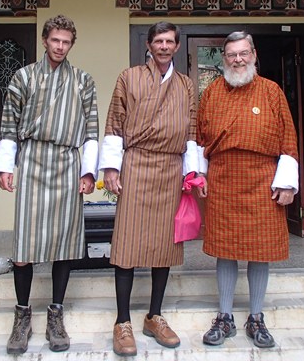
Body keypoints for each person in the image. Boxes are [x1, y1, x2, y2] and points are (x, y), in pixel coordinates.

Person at [0, 14, 99, 354]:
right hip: (33, 159)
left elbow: (92, 128)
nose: (60, 46)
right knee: (24, 243)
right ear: (44, 40)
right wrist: (6, 166)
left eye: (66, 42)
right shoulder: (23, 76)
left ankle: (56, 314)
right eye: (55, 40)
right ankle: (22, 316)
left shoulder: (83, 80)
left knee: (64, 242)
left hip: (68, 162)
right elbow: (9, 122)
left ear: (71, 44)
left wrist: (89, 171)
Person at [99, 21, 206, 357]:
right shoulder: (128, 78)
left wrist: (193, 174)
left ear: (176, 46)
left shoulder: (186, 84)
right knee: (127, 245)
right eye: (158, 40)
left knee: (165, 246)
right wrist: (112, 168)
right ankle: (122, 322)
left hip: (171, 169)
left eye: (169, 41)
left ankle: (155, 315)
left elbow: (191, 130)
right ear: (148, 45)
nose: (163, 46)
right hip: (136, 164)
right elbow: (115, 122)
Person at [196, 31, 298, 349]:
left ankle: (256, 318)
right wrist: (200, 175)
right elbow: (200, 137)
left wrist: (286, 183)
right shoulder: (212, 92)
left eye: (243, 53)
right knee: (225, 249)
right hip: (223, 178)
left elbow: (288, 137)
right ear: (223, 58)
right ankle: (224, 317)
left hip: (263, 181)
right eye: (231, 54)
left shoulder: (272, 91)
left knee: (261, 250)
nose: (237, 59)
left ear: (253, 55)